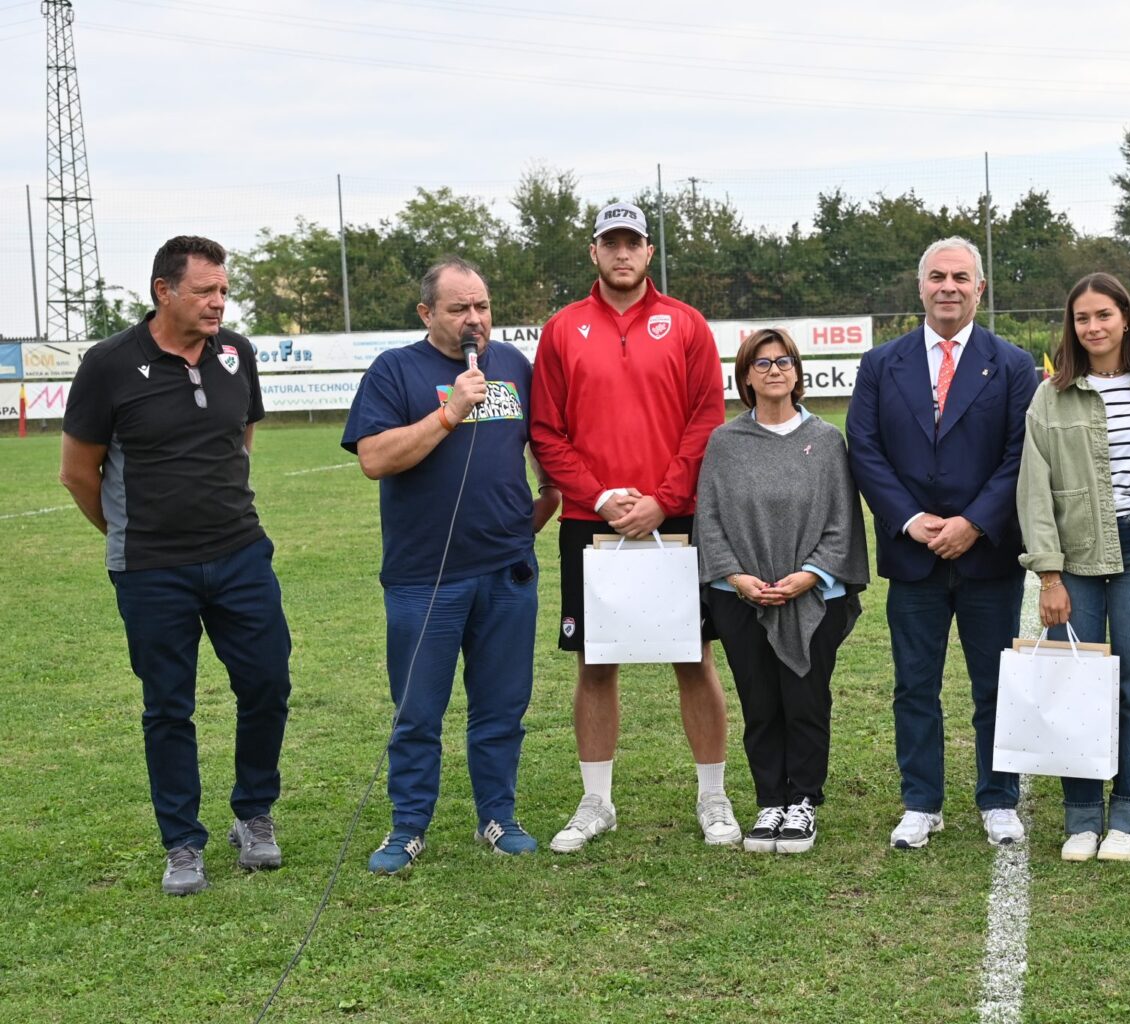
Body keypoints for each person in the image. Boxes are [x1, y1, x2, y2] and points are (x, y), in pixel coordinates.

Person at [58, 235, 292, 896]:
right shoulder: (108, 364)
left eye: (223, 290)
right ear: (164, 290)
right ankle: (182, 843)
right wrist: (136, 534)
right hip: (151, 569)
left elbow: (238, 443)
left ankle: (254, 813)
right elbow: (78, 474)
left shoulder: (235, 353)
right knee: (168, 705)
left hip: (241, 552)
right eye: (204, 291)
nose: (218, 302)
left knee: (268, 682)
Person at [529, 203, 737, 851]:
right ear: (594, 251)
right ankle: (597, 802)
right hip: (593, 523)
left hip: (674, 519)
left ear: (649, 252)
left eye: (633, 243)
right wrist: (601, 496)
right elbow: (547, 431)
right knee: (595, 662)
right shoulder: (564, 330)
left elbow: (706, 419)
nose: (622, 253)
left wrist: (664, 497)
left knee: (692, 655)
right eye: (610, 242)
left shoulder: (687, 325)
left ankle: (713, 796)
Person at [342, 259, 561, 874]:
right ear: (427, 314)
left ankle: (498, 817)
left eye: (483, 307)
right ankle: (408, 826)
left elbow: (543, 455)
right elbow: (375, 458)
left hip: (507, 576)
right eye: (459, 309)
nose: (475, 320)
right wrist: (448, 413)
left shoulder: (515, 366)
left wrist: (533, 517)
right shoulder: (394, 370)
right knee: (417, 712)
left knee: (502, 707)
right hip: (423, 580)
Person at [846, 236, 1040, 849]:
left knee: (994, 683)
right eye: (937, 276)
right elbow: (866, 450)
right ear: (920, 286)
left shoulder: (1011, 364)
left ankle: (998, 797)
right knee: (914, 684)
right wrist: (910, 520)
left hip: (987, 556)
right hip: (913, 554)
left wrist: (974, 522)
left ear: (980, 288)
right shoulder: (882, 364)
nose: (948, 287)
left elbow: (1018, 456)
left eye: (961, 277)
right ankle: (921, 800)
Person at [1016, 273, 1130, 863]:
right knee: (1075, 684)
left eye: (1104, 315)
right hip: (1075, 558)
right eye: (1083, 318)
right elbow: (1034, 490)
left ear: (1126, 318)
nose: (1094, 327)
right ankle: (1083, 816)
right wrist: (1050, 575)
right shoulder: (1051, 395)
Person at [696, 329, 869, 855]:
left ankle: (803, 803)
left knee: (806, 701)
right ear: (745, 376)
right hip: (741, 596)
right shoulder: (725, 443)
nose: (775, 370)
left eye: (785, 361)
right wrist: (739, 578)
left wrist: (812, 575)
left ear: (798, 372)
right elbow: (710, 520)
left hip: (813, 598)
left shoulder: (826, 439)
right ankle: (770, 800)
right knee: (760, 702)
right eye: (763, 362)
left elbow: (843, 520)